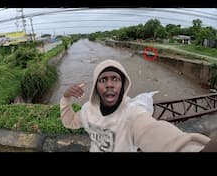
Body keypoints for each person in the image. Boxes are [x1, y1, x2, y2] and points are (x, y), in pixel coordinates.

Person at [60, 59, 215, 152]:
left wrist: (192, 149)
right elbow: (70, 122)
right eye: (103, 80)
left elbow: (153, 131)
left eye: (115, 79)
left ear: (123, 84)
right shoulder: (87, 109)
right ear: (95, 86)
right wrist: (66, 97)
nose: (109, 85)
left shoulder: (133, 114)